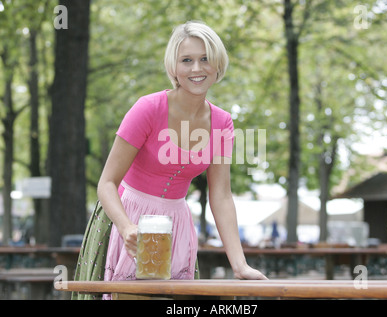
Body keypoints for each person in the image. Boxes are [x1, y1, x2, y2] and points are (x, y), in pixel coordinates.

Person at [72, 21, 267, 300]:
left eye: (205, 59)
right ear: (174, 67)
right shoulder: (148, 109)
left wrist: (240, 264)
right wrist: (126, 226)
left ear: (217, 65)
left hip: (176, 223)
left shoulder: (222, 122)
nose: (197, 69)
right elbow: (107, 183)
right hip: (126, 217)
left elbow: (221, 196)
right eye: (187, 60)